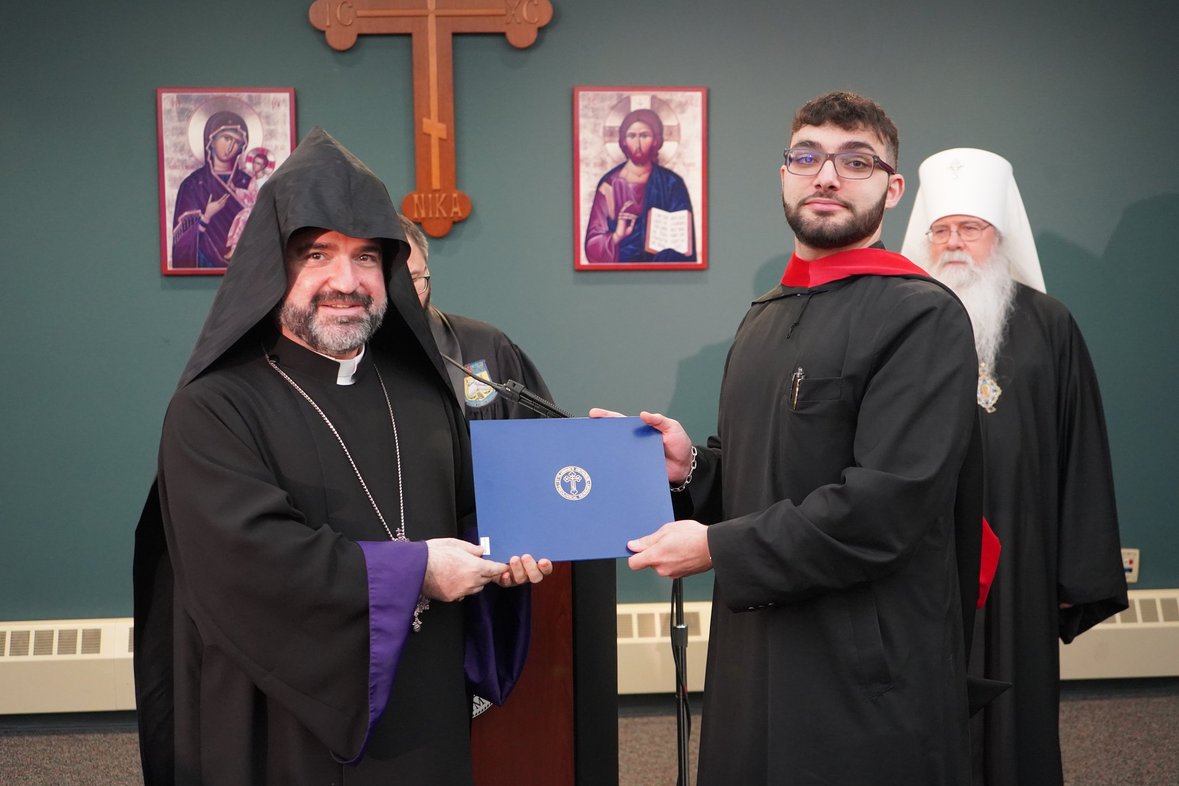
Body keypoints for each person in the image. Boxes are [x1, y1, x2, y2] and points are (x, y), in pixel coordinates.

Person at [133, 127, 552, 785]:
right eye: (317, 255)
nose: (346, 282)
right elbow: (252, 561)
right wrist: (416, 571)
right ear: (272, 267)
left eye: (366, 257)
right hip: (281, 720)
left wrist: (507, 552)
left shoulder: (423, 393)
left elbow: (472, 512)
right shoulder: (213, 408)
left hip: (423, 703)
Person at [596, 91, 985, 784]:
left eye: (855, 161)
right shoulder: (765, 316)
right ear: (784, 174)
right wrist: (693, 470)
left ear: (893, 188)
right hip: (754, 651)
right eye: (807, 157)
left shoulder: (921, 317)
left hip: (861, 667)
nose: (826, 176)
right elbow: (770, 474)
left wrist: (716, 546)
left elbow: (883, 509)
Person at [901, 147, 1128, 786]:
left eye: (969, 228)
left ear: (998, 237)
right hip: (921, 550)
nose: (953, 243)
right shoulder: (899, 320)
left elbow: (1081, 447)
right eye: (941, 230)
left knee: (1015, 717)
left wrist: (1075, 571)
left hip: (1021, 555)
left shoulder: (1050, 323)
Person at [399, 214, 555, 419]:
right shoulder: (355, 359)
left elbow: (541, 434)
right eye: (394, 282)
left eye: (414, 279)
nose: (406, 295)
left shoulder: (487, 345)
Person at [584, 108, 696, 263]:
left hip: (661, 269)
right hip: (620, 271)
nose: (637, 144)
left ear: (656, 140)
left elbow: (683, 241)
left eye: (644, 136)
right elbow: (592, 246)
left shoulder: (671, 183)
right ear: (623, 141)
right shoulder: (609, 185)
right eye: (631, 136)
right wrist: (617, 236)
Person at [170, 111, 254, 269]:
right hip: (204, 262)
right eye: (226, 138)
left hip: (244, 266)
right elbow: (181, 243)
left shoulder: (248, 182)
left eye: (237, 142)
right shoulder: (193, 184)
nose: (230, 147)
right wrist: (206, 217)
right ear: (211, 140)